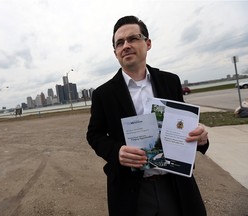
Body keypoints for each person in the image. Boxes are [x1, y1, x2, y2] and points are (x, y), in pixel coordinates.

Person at [86, 15, 209, 216]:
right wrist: (116, 151)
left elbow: (183, 124)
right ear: (115, 52)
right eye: (120, 42)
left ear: (148, 43)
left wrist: (200, 136)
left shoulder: (169, 82)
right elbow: (94, 135)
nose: (126, 45)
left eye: (133, 38)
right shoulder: (103, 94)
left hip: (175, 183)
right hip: (131, 191)